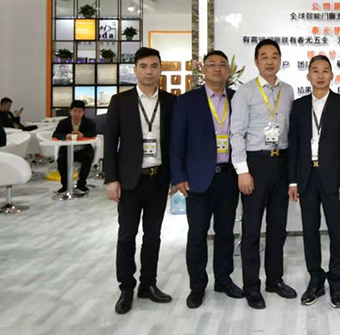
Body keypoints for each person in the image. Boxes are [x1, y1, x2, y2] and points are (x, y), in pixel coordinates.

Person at [104, 47, 176, 315]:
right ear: (135, 70)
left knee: (153, 236)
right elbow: (110, 142)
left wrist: (175, 177)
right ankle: (126, 287)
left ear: (160, 69)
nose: (149, 71)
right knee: (126, 236)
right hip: (129, 181)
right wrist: (111, 179)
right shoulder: (120, 101)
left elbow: (174, 142)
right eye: (143, 66)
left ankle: (148, 284)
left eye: (154, 66)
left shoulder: (170, 101)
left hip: (158, 179)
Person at [170, 50, 242, 309]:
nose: (217, 69)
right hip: (198, 179)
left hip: (228, 177)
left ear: (228, 71)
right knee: (197, 235)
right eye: (212, 64)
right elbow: (176, 141)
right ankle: (197, 286)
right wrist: (178, 176)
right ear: (204, 69)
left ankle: (223, 279)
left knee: (225, 233)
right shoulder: (187, 101)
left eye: (222, 64)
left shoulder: (237, 98)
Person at [230, 39, 296, 310]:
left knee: (278, 228)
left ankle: (274, 279)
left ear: (280, 60)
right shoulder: (244, 92)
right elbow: (236, 133)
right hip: (255, 164)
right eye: (264, 56)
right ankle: (251, 286)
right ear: (256, 61)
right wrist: (242, 171)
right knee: (251, 230)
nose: (270, 61)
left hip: (282, 163)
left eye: (274, 56)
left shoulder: (288, 91)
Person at [288, 55, 340, 308]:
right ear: (308, 76)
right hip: (307, 178)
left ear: (331, 76)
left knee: (337, 232)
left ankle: (336, 281)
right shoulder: (298, 106)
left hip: (335, 180)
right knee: (310, 232)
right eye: (315, 71)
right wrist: (292, 181)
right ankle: (315, 280)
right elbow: (294, 144)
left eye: (325, 71)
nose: (320, 75)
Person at [52, 100, 97, 193]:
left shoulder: (88, 123)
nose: (77, 114)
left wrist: (83, 135)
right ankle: (65, 185)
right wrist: (66, 136)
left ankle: (81, 184)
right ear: (70, 111)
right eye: (75, 111)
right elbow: (56, 134)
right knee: (61, 160)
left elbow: (93, 133)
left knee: (87, 159)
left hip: (83, 150)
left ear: (83, 112)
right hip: (67, 150)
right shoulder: (63, 123)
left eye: (79, 111)